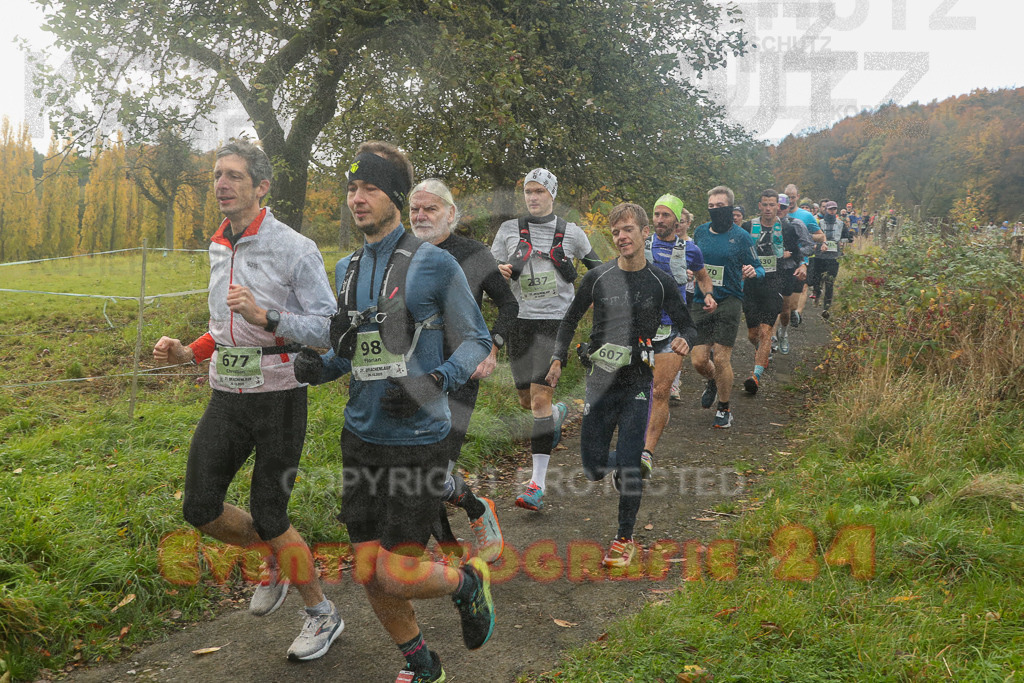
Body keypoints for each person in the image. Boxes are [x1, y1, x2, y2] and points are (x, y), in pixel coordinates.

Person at [294, 142, 495, 682]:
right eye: (352, 188)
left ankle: (467, 582)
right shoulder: (347, 267)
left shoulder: (435, 263)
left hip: (419, 437)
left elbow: (477, 340)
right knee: (368, 569)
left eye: (370, 188)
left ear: (397, 198)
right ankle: (421, 663)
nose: (357, 199)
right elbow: (352, 353)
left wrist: (436, 382)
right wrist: (319, 367)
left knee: (393, 569)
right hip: (361, 435)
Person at [152, 138, 343, 661]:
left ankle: (322, 612)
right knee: (199, 506)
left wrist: (268, 316)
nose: (222, 184)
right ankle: (275, 558)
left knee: (271, 512)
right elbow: (223, 328)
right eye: (217, 175)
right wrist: (188, 351)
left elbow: (330, 329)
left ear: (261, 187)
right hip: (226, 394)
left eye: (234, 175)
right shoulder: (218, 244)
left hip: (279, 395)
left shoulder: (294, 247)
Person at [546, 203, 696, 567]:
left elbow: (688, 324)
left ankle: (624, 538)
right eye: (615, 232)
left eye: (628, 229)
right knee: (592, 468)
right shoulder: (597, 277)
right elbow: (569, 321)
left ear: (645, 232)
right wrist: (558, 358)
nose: (621, 237)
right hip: (600, 382)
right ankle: (623, 467)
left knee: (630, 463)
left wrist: (685, 339)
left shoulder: (660, 281)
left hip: (638, 382)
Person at [408, 178, 517, 564]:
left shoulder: (474, 253)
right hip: (414, 377)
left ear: (451, 213)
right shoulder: (403, 255)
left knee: (434, 474)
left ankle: (471, 518)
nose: (421, 216)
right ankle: (457, 543)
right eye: (415, 209)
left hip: (460, 374)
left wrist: (492, 347)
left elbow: (508, 305)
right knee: (418, 474)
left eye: (430, 208)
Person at [490, 168, 603, 511]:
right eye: (529, 191)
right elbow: (489, 270)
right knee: (527, 400)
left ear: (552, 194)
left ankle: (536, 485)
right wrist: (499, 270)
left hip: (556, 323)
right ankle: (557, 413)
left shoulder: (572, 233)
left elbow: (599, 271)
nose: (533, 197)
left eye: (540, 191)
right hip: (519, 322)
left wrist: (586, 288)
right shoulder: (508, 230)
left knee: (538, 401)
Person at [641, 194, 714, 466]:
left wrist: (708, 295)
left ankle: (646, 453)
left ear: (677, 221)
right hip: (641, 327)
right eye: (656, 214)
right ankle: (647, 426)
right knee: (641, 390)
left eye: (666, 215)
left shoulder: (691, 250)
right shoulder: (640, 243)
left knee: (660, 391)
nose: (660, 220)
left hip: (672, 327)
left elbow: (703, 277)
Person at [690, 185, 764, 428]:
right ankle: (714, 380)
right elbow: (693, 261)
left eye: (720, 206)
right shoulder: (700, 232)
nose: (715, 210)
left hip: (730, 299)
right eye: (711, 206)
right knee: (699, 360)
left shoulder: (741, 237)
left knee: (721, 358)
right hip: (701, 299)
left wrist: (753, 270)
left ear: (730, 207)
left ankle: (724, 408)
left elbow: (759, 267)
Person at [740, 189, 801, 394]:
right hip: (751, 284)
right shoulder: (748, 227)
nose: (768, 209)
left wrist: (800, 264)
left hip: (775, 283)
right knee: (753, 334)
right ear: (759, 206)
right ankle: (761, 352)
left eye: (772, 205)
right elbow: (739, 251)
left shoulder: (787, 229)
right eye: (764, 204)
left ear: (778, 206)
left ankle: (755, 376)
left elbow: (797, 253)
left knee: (766, 331)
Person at [772, 194, 813, 358]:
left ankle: (783, 333)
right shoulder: (762, 224)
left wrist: (793, 253)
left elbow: (810, 246)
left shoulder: (796, 224)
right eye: (776, 206)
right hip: (769, 271)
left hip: (788, 270)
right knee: (770, 307)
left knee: (785, 309)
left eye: (782, 207)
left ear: (789, 208)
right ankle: (770, 341)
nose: (779, 210)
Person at [670, 207, 697, 403]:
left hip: (687, 296)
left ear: (688, 223)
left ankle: (674, 382)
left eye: (682, 221)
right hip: (665, 297)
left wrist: (691, 274)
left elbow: (702, 272)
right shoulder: (660, 243)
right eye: (676, 220)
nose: (678, 224)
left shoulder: (693, 247)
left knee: (678, 339)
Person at [813, 200, 852, 319]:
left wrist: (842, 241)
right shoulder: (819, 223)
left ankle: (826, 308)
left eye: (834, 209)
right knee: (817, 280)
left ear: (836, 210)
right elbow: (813, 236)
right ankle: (817, 292)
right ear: (826, 210)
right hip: (820, 256)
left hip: (834, 257)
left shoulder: (841, 224)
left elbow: (847, 238)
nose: (832, 211)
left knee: (830, 283)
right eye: (830, 209)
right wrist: (817, 243)